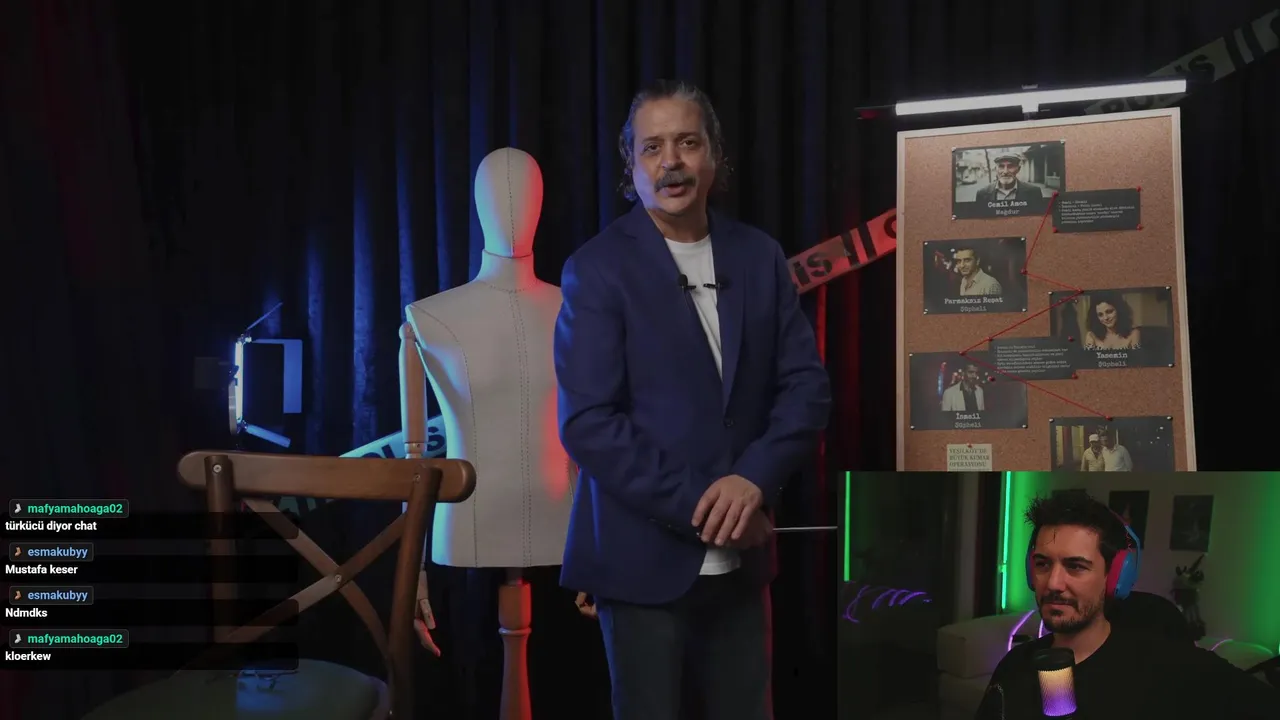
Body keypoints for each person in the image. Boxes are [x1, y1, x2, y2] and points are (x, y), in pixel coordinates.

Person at [554, 79, 831, 720]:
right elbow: (590, 423)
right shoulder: (596, 269)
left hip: (744, 566)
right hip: (638, 561)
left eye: (687, 142)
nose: (671, 161)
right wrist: (713, 509)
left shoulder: (759, 256)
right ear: (631, 166)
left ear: (714, 156)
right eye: (652, 147)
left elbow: (806, 388)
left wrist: (753, 480)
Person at [975, 492, 1279, 719]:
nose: (1053, 583)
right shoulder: (1014, 665)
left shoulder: (1168, 666)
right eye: (1043, 564)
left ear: (1114, 577)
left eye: (1075, 566)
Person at [974, 151, 1047, 204]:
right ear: (996, 169)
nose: (1005, 171)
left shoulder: (1034, 192)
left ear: (1018, 169)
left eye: (1010, 166)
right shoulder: (982, 194)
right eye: (1001, 166)